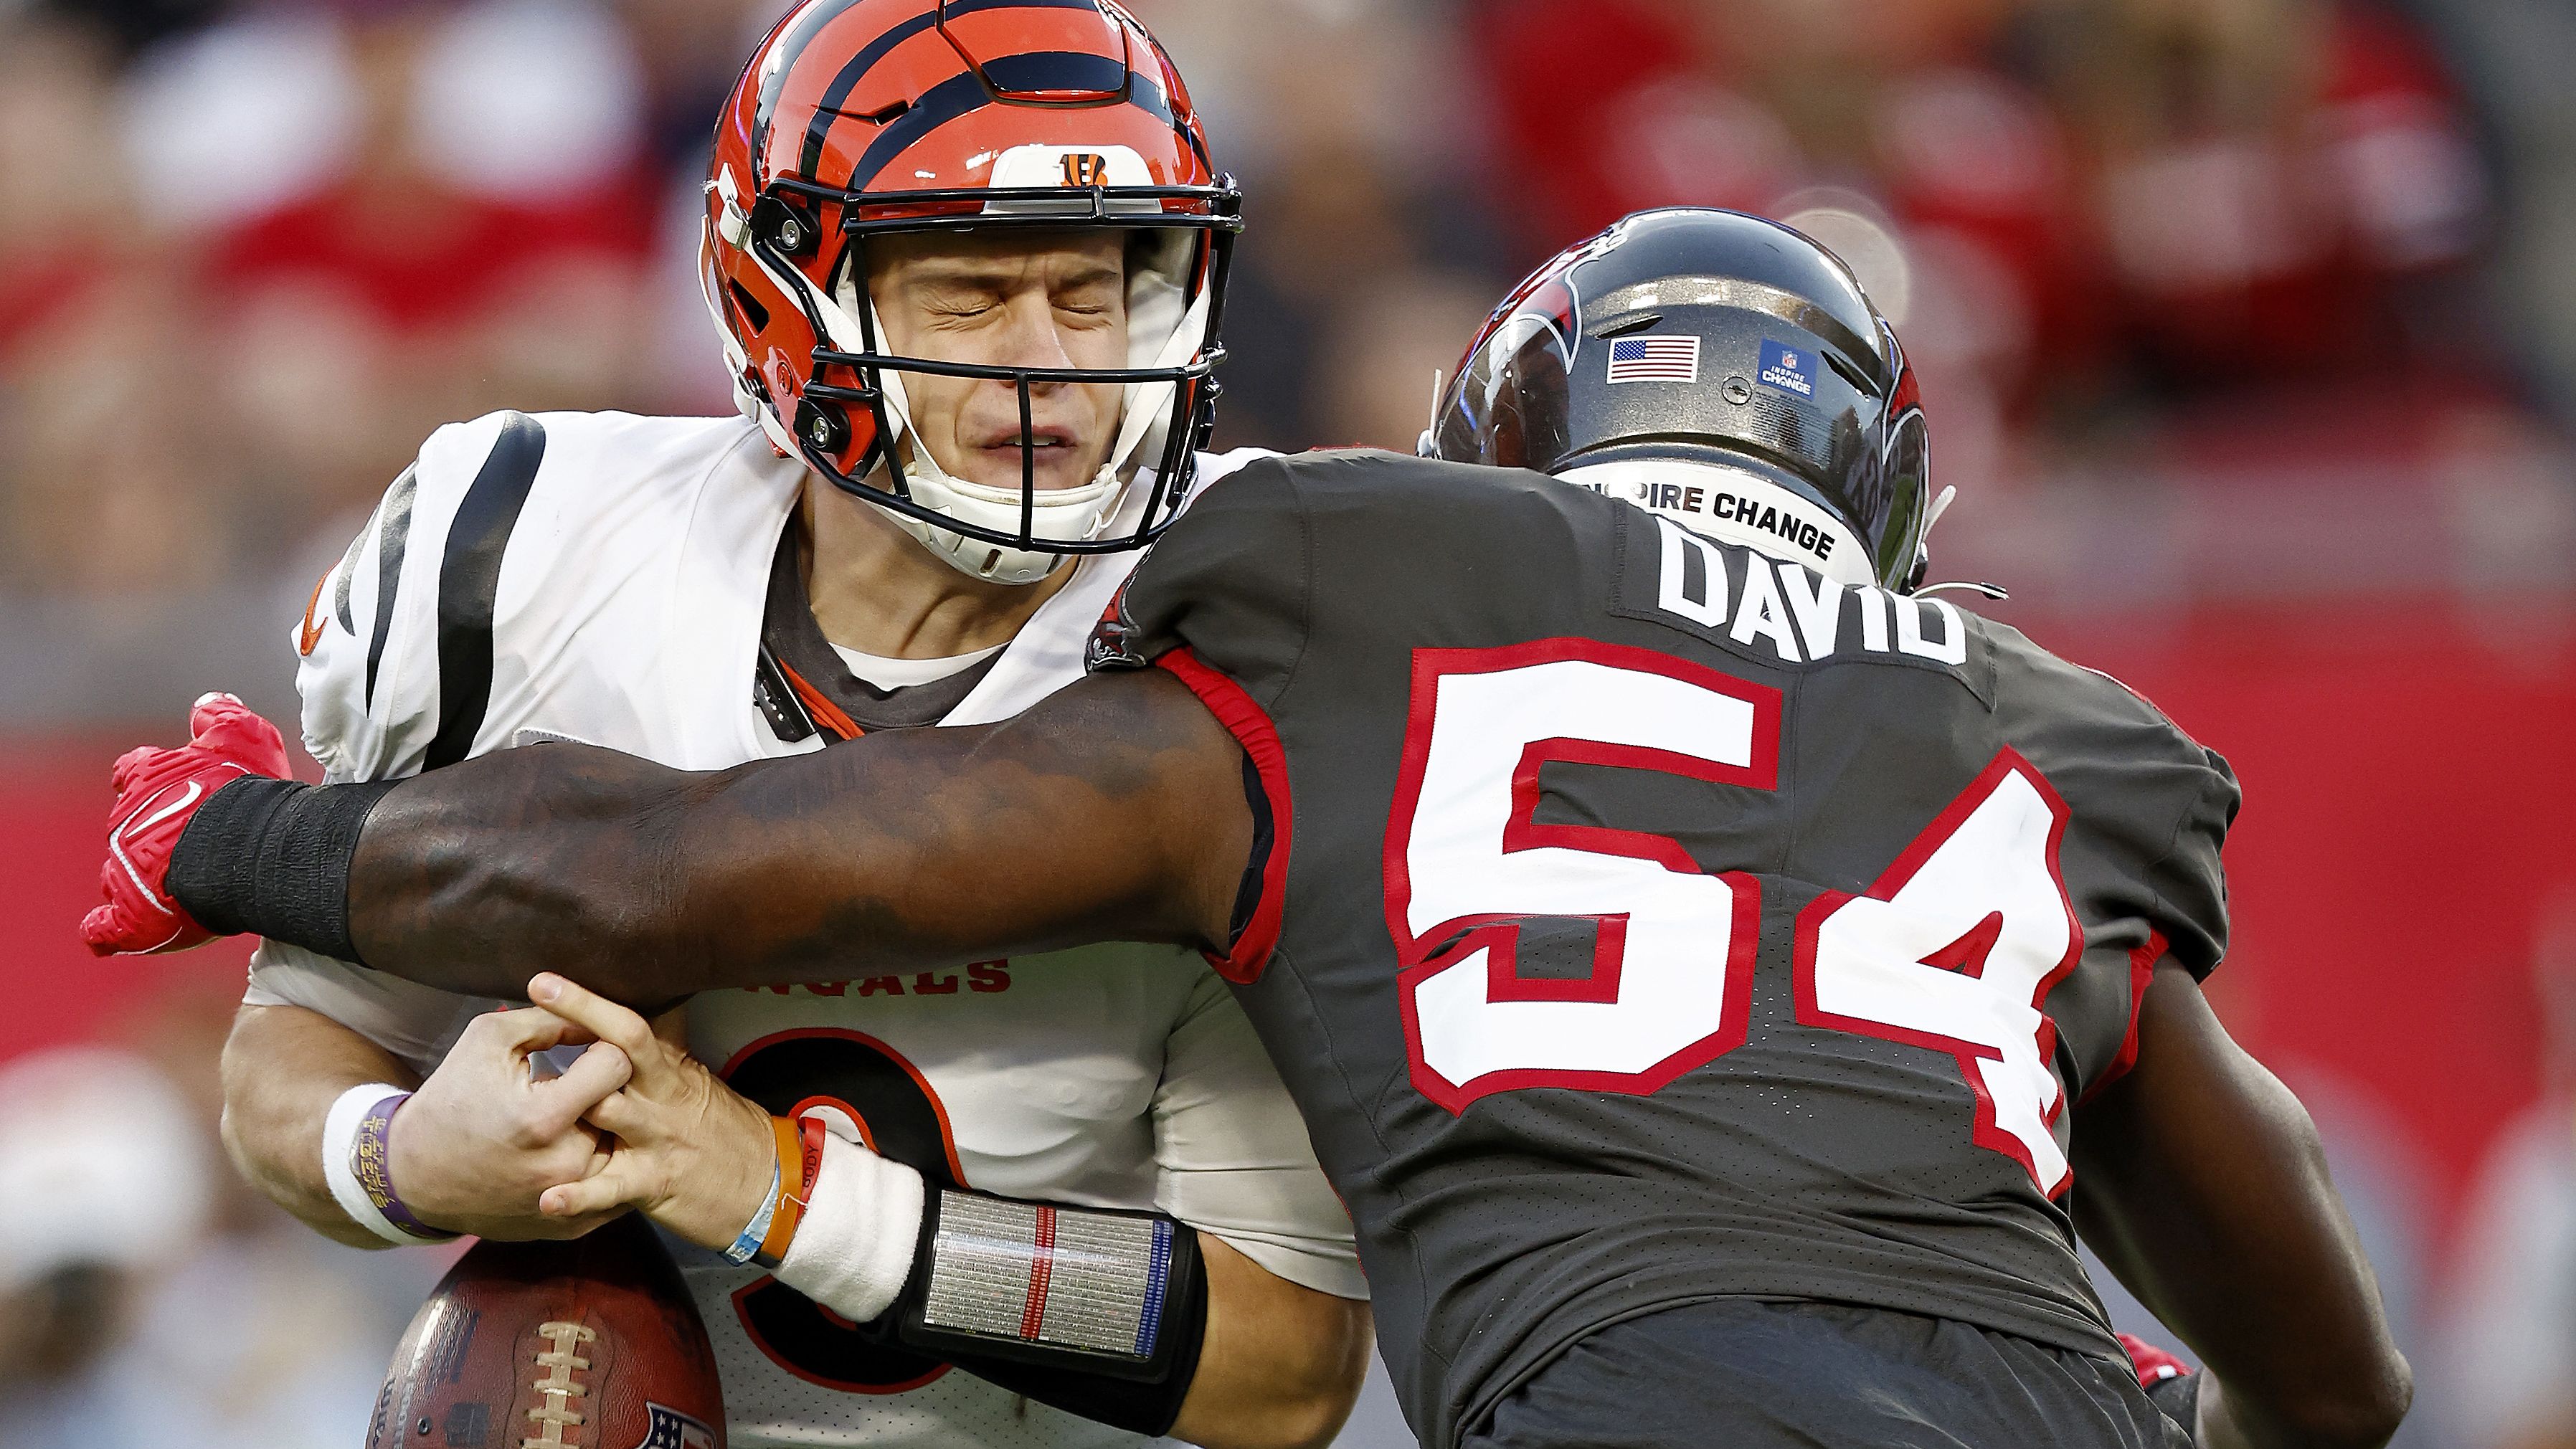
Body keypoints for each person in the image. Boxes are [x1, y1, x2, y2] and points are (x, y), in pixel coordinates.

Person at [91, 209, 2413, 1449]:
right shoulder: (2050, 729)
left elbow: (704, 866)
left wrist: (243, 840)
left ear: (1498, 457)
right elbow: (2333, 1366)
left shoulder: (1381, 607)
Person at [104, 4, 1374, 1448]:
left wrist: (778, 1195)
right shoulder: (534, 555)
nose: (1054, 364)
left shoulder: (1251, 616)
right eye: (969, 294)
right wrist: (401, 1159)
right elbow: (292, 1060)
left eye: (1093, 293)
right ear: (784, 294)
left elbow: (1283, 1368)